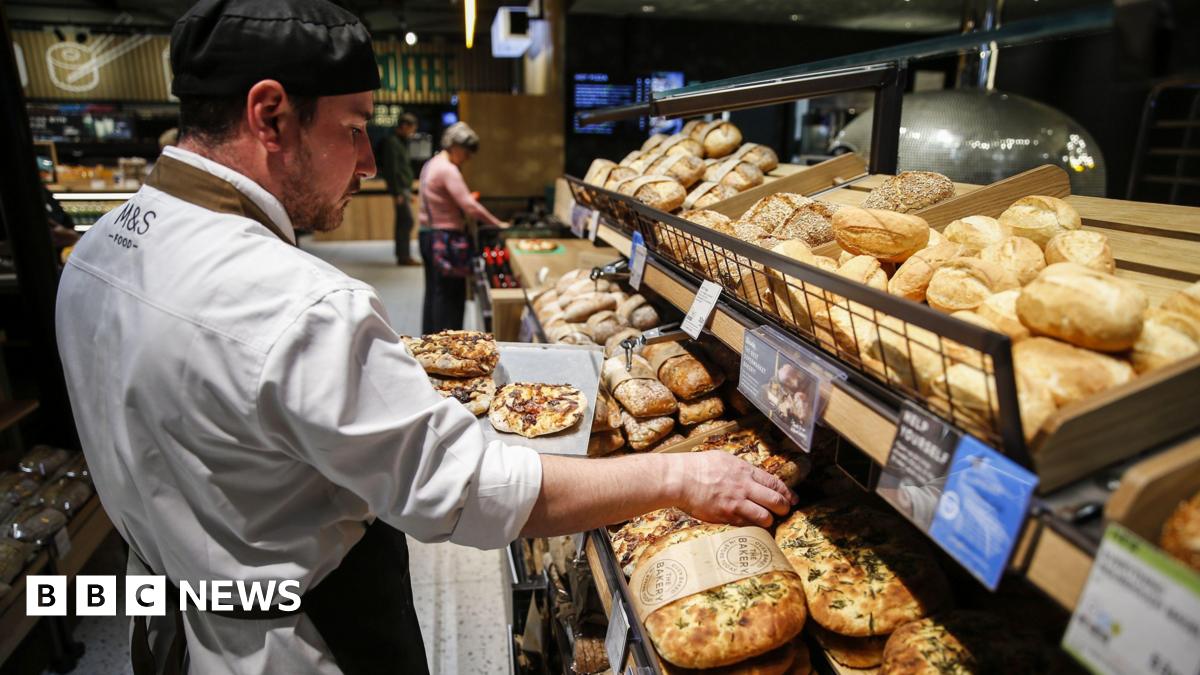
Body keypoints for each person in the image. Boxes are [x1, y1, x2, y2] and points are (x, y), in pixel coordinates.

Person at [54, 1, 794, 674]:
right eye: (354, 129)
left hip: (171, 618)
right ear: (270, 115)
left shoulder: (95, 251)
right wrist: (680, 478)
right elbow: (465, 490)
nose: (372, 162)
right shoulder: (300, 302)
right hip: (304, 637)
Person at [418, 121, 500, 333]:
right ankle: (448, 347)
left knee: (434, 293)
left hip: (427, 235)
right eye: (466, 153)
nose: (467, 158)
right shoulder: (447, 169)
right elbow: (469, 206)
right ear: (455, 146)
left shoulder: (431, 164)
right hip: (445, 239)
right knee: (450, 297)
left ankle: (431, 344)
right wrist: (498, 224)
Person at [379, 113, 419, 265]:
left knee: (404, 221)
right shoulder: (392, 143)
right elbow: (392, 169)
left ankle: (402, 255)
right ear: (404, 126)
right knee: (406, 221)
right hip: (400, 189)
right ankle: (404, 256)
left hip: (404, 189)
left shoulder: (399, 142)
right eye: (411, 129)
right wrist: (397, 192)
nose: (412, 133)